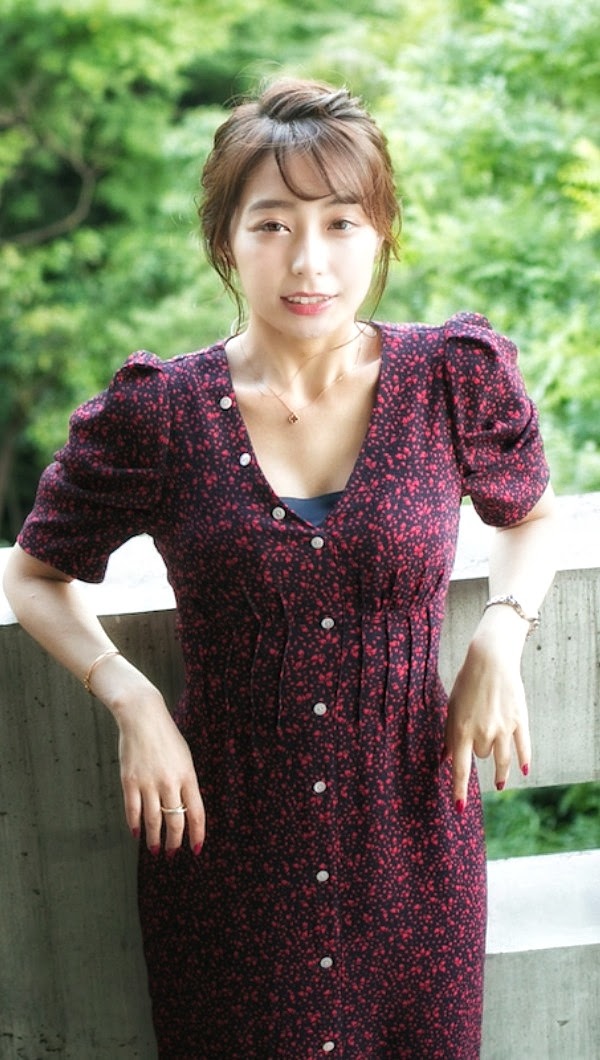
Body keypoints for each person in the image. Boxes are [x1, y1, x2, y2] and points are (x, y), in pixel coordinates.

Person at [4, 77, 557, 1058]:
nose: (309, 260)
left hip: (414, 838)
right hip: (225, 851)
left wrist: (501, 633)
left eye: (341, 222)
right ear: (227, 240)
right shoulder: (160, 413)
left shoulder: (449, 379)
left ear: (380, 232)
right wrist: (131, 697)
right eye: (272, 224)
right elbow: (35, 572)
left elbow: (532, 517)